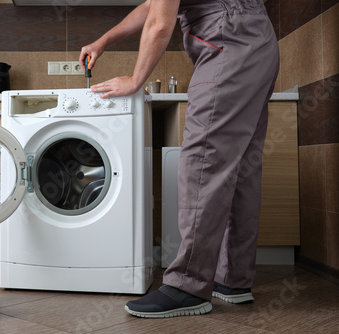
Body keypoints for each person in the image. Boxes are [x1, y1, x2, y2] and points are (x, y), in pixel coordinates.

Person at [79, 0, 280, 318]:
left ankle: (188, 286)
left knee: (203, 161)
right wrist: (105, 39)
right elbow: (152, 6)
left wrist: (135, 79)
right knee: (240, 167)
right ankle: (232, 280)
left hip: (228, 42)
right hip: (255, 39)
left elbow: (160, 23)